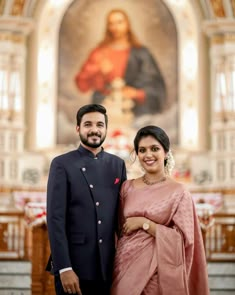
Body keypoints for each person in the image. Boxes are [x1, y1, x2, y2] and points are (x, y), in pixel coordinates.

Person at [111, 125, 210, 295]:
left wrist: (145, 223)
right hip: (123, 266)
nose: (148, 155)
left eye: (154, 149)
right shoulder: (127, 188)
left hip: (157, 272)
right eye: (142, 150)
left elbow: (183, 240)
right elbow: (118, 229)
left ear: (165, 152)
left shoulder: (179, 192)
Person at [46, 104, 127, 295]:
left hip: (108, 267)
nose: (94, 130)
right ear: (78, 128)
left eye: (100, 124)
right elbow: (55, 220)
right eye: (88, 124)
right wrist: (64, 268)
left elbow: (120, 216)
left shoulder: (118, 165)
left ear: (106, 129)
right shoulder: (61, 164)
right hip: (74, 266)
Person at [75, 9, 166, 117]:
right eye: (111, 24)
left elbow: (155, 85)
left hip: (135, 110)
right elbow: (81, 84)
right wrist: (98, 69)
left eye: (119, 22)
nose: (115, 27)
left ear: (127, 24)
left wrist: (136, 93)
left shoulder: (141, 53)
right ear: (108, 27)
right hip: (105, 107)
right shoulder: (99, 53)